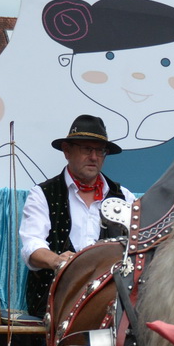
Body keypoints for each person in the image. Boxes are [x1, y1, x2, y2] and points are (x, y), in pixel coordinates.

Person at [19, 114, 133, 319]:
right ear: (67, 151)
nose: (94, 157)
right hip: (56, 300)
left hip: (110, 302)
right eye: (87, 149)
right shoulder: (43, 193)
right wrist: (56, 261)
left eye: (100, 151)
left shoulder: (123, 197)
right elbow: (32, 245)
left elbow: (137, 244)